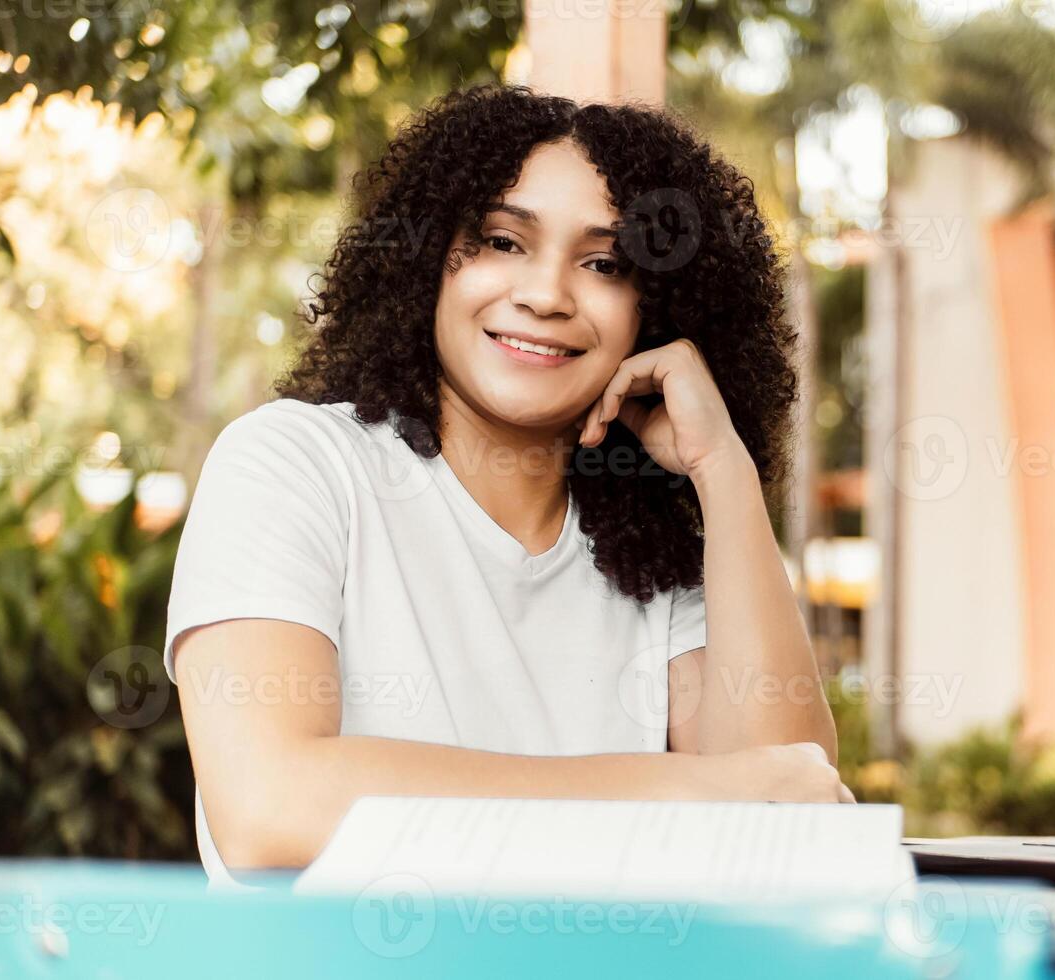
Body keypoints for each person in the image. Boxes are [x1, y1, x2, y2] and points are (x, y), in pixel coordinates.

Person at [164, 84, 851, 888]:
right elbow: (270, 807)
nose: (545, 294)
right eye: (501, 240)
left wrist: (723, 469)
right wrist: (691, 792)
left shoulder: (661, 557)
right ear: (428, 262)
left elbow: (790, 815)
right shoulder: (295, 464)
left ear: (655, 313)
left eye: (603, 263)